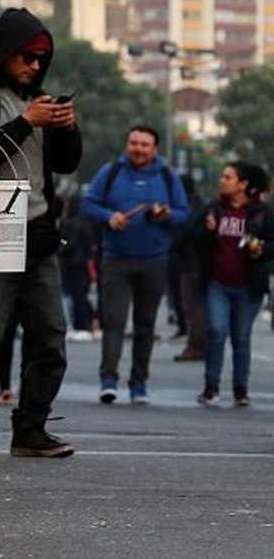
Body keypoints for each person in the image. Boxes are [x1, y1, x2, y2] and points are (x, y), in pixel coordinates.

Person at [0, 8, 80, 458]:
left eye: (41, 59)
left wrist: (67, 128)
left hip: (39, 235)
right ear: (5, 53)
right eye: (26, 56)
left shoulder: (42, 100)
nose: (34, 66)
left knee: (50, 335)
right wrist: (28, 121)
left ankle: (30, 430)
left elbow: (64, 164)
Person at [80, 125, 189, 404]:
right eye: (133, 143)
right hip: (116, 259)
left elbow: (184, 214)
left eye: (144, 144)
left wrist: (165, 214)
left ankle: (139, 383)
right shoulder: (111, 171)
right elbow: (87, 204)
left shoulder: (167, 176)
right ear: (127, 144)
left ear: (155, 149)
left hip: (155, 261)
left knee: (145, 325)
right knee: (114, 322)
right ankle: (109, 379)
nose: (138, 149)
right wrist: (109, 216)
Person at [191, 162, 274, 406]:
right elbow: (190, 237)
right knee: (216, 331)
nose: (222, 181)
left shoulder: (261, 212)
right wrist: (207, 230)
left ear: (243, 184)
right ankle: (211, 387)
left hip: (249, 285)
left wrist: (260, 248)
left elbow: (272, 245)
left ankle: (240, 389)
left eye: (228, 177)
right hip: (218, 283)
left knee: (241, 336)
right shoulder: (214, 208)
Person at [170, 174, 208, 360]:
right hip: (197, 260)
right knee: (196, 304)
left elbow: (183, 231)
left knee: (192, 305)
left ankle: (197, 344)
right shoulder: (199, 202)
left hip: (190, 261)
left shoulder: (185, 205)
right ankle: (199, 343)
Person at [58, 198, 97, 340]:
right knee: (81, 295)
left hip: (71, 263)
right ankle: (86, 323)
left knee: (75, 296)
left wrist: (60, 244)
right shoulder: (85, 222)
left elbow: (68, 242)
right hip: (82, 262)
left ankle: (81, 325)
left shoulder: (69, 223)